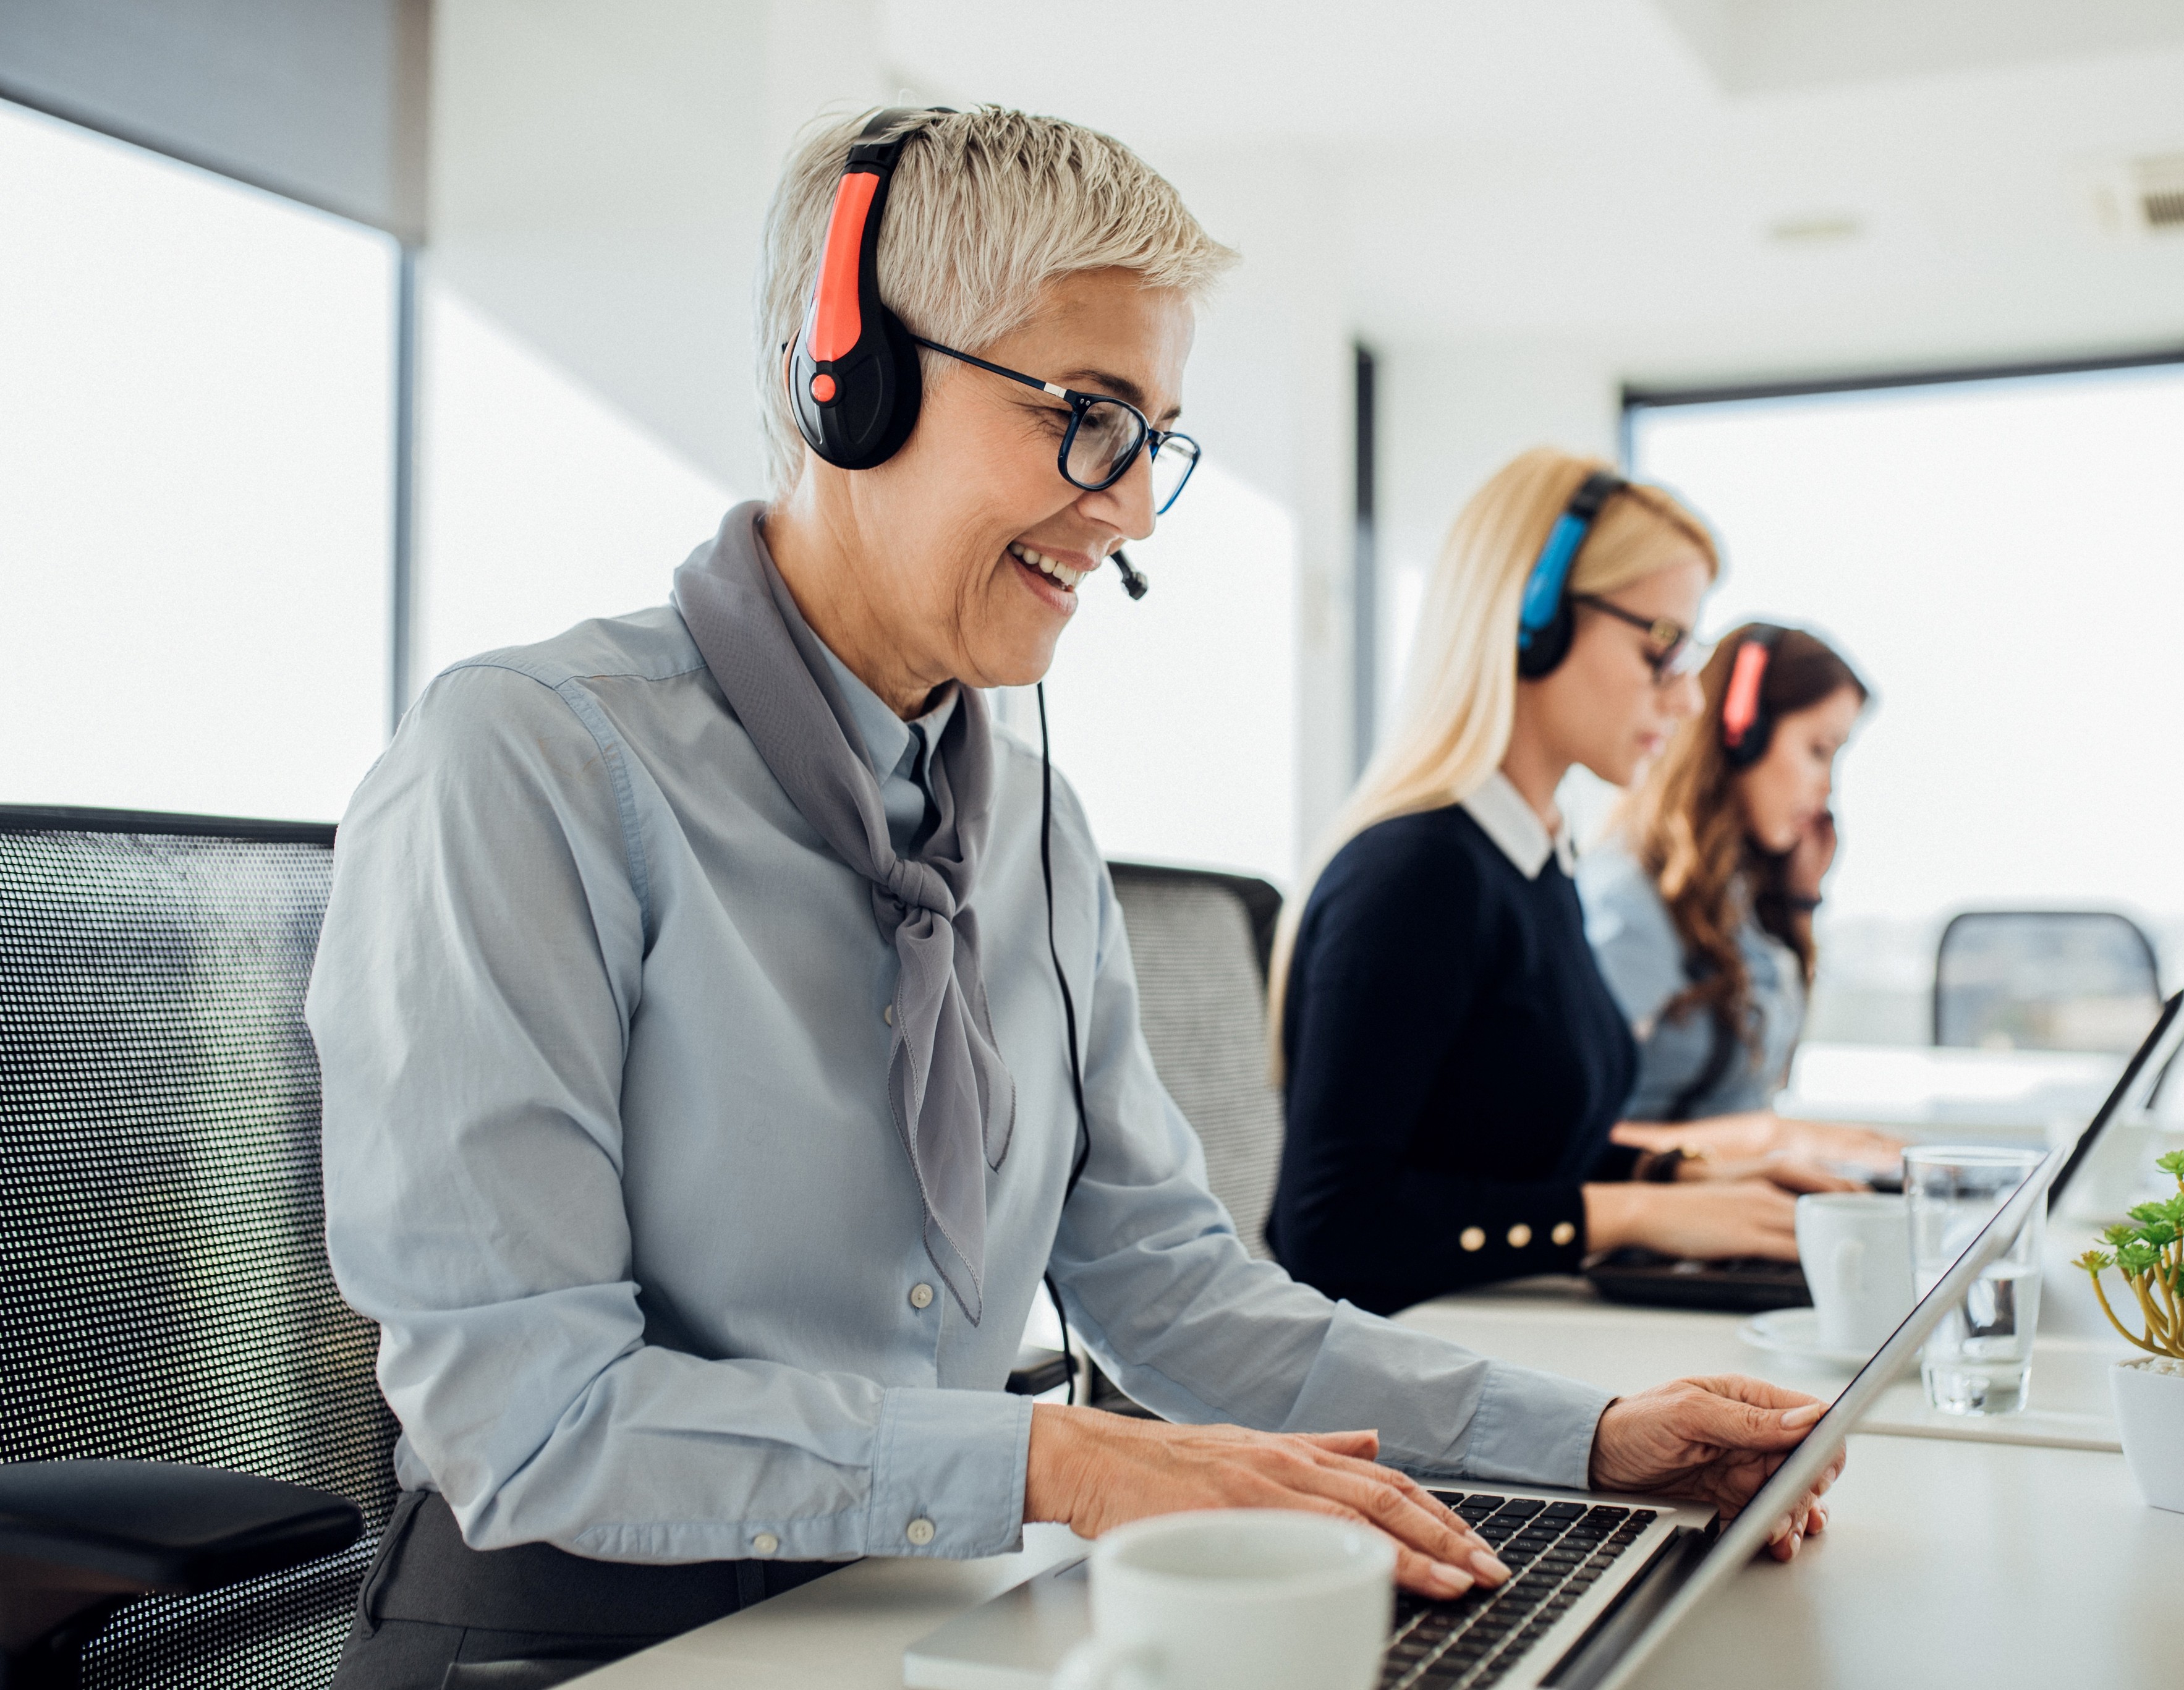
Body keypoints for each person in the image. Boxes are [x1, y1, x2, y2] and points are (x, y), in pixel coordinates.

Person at [309, 109, 1840, 1688]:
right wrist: (1063, 1463)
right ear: (848, 374)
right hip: (585, 1642)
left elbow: (1176, 1296)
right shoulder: (529, 765)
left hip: (925, 1607)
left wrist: (1590, 1435)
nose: (1132, 513)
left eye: (1153, 437)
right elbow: (525, 1411)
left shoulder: (1033, 828)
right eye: (1086, 416)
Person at [1266, 451, 1869, 1320]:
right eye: (1661, 646)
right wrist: (1639, 1211)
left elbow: (1506, 1150)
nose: (1688, 698)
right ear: (1533, 616)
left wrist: (1694, 1179)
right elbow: (1330, 1231)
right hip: (1408, 1379)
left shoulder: (1535, 862)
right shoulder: (1419, 873)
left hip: (1496, 1332)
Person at [1580, 624, 1897, 1178]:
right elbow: (1559, 1141)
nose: (1828, 790)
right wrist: (1763, 1138)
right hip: (1647, 1237)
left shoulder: (1734, 903)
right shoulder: (1629, 904)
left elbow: (1765, 1078)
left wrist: (1800, 905)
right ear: (1741, 735)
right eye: (1818, 751)